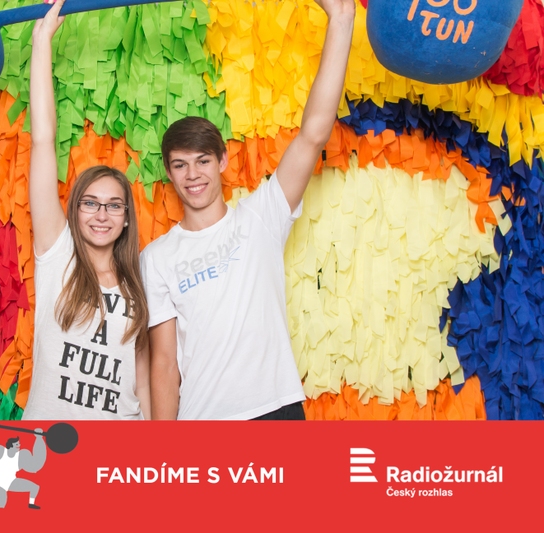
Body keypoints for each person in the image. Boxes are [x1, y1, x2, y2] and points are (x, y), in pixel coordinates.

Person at [141, 0, 356, 420]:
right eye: (180, 165)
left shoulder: (261, 216)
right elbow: (164, 364)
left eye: (203, 161)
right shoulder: (156, 258)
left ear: (222, 161)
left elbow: (313, 134)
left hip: (276, 410)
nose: (192, 175)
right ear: (168, 172)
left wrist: (342, 18)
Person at [22, 0, 150, 420]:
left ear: (126, 218)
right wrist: (42, 41)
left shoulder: (140, 283)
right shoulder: (58, 256)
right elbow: (43, 138)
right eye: (90, 203)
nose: (101, 214)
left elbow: (143, 380)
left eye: (114, 205)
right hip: (46, 443)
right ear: (75, 211)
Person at [0, 423, 46, 509]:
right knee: (0, 503)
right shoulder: (0, 452)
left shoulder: (20, 457)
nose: (19, 446)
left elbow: (36, 464)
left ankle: (31, 504)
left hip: (10, 481)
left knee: (34, 487)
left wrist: (39, 438)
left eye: (19, 444)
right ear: (11, 445)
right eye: (17, 444)